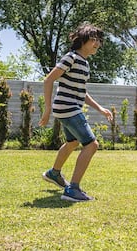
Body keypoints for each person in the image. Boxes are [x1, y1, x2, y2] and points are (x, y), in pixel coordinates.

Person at [39, 22, 112, 202]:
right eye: (93, 40)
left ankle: (54, 173)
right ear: (82, 40)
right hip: (67, 107)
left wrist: (100, 108)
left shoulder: (84, 64)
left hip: (69, 108)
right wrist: (47, 109)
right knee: (91, 145)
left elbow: (82, 92)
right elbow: (48, 80)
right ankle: (73, 189)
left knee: (72, 143)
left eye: (99, 41)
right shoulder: (71, 57)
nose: (97, 44)